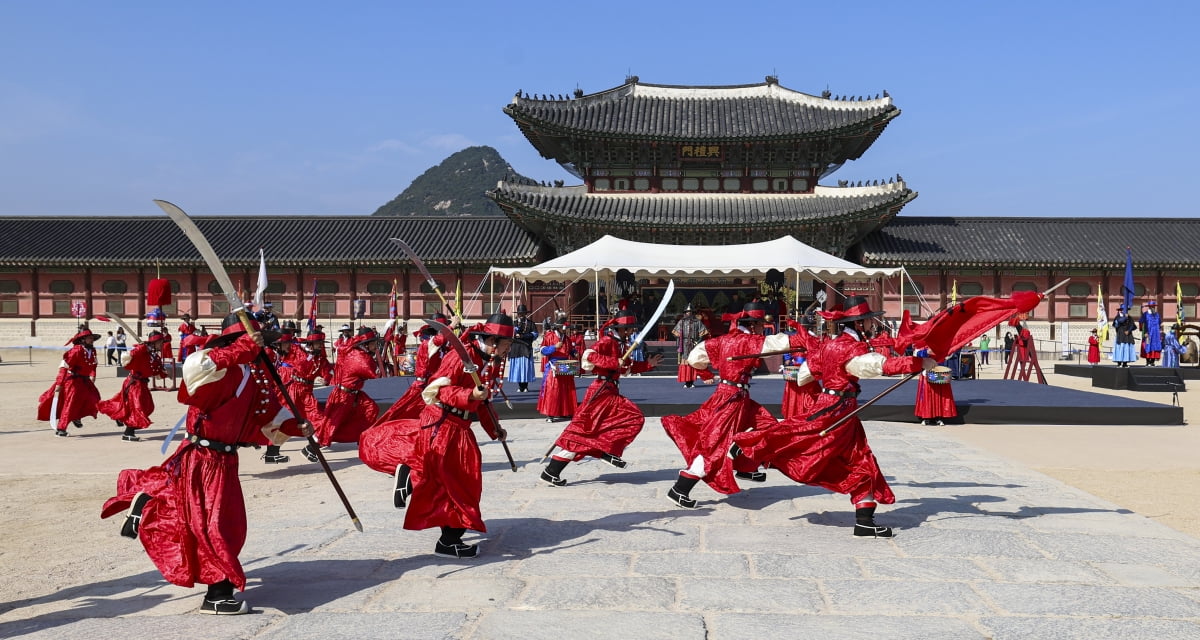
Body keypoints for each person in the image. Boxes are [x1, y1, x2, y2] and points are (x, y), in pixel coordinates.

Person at [100, 314, 313, 615]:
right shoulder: (215, 366)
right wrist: (241, 349)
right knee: (215, 527)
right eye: (259, 341)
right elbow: (193, 371)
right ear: (235, 341)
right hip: (203, 458)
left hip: (225, 460)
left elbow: (264, 419)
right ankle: (217, 594)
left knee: (222, 524)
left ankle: (151, 501)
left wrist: (295, 427)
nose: (264, 348)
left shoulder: (252, 376)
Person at [732, 296, 935, 537]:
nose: (871, 324)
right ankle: (751, 446)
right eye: (868, 321)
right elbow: (879, 366)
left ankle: (864, 520)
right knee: (805, 443)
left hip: (837, 406)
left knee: (859, 458)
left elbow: (804, 374)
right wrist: (919, 362)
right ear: (859, 324)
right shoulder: (851, 348)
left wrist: (820, 393)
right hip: (837, 408)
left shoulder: (830, 344)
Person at [380, 313, 513, 559]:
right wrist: (470, 394)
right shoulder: (458, 357)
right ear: (493, 341)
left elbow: (482, 400)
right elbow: (439, 390)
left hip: (459, 426)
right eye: (506, 344)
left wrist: (494, 428)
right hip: (442, 424)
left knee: (457, 483)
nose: (508, 349)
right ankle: (448, 538)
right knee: (459, 484)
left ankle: (416, 482)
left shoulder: (483, 361)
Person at [660, 301, 807, 508]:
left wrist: (706, 372)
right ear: (753, 324)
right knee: (715, 446)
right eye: (759, 325)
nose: (761, 329)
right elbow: (777, 344)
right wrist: (806, 339)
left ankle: (747, 467)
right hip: (732, 399)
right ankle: (680, 489)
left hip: (734, 395)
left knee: (767, 427)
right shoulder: (748, 342)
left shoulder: (721, 341)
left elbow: (694, 357)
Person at [540, 310, 664, 486]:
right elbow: (589, 356)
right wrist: (613, 362)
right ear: (620, 329)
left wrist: (647, 365)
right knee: (586, 431)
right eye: (627, 329)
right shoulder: (607, 341)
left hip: (610, 391)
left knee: (625, 421)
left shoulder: (622, 344)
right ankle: (555, 469)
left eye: (630, 329)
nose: (630, 332)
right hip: (600, 391)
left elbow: (626, 367)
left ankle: (602, 452)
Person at [303, 326, 381, 461]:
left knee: (370, 409)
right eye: (373, 343)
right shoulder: (359, 357)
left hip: (354, 393)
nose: (375, 346)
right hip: (343, 395)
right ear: (366, 345)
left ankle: (362, 437)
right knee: (332, 423)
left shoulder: (359, 354)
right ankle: (311, 447)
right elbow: (375, 374)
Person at [98, 331, 166, 441]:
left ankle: (121, 418)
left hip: (142, 384)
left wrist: (163, 372)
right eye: (160, 342)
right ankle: (128, 433)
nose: (161, 345)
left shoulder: (153, 355)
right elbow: (127, 358)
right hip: (135, 384)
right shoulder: (141, 350)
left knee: (148, 406)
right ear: (154, 343)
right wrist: (142, 348)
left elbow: (157, 371)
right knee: (138, 408)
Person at [37, 327, 103, 436]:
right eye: (89, 338)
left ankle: (76, 416)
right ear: (83, 339)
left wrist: (93, 375)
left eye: (92, 338)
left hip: (85, 380)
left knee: (94, 398)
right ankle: (61, 428)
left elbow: (93, 365)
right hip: (72, 381)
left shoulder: (93, 350)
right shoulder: (76, 351)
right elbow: (64, 367)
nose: (91, 340)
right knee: (70, 403)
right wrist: (59, 383)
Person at [537, 319, 580, 422]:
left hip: (565, 364)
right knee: (553, 389)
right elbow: (542, 350)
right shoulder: (549, 336)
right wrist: (554, 347)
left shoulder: (567, 339)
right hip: (553, 365)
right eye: (563, 328)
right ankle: (550, 414)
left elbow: (570, 350)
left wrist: (574, 353)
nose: (565, 330)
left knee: (566, 389)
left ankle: (564, 412)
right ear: (558, 327)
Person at [671, 304, 709, 388]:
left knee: (692, 362)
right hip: (684, 344)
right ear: (685, 313)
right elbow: (675, 332)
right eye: (687, 312)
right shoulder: (681, 322)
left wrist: (697, 341)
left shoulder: (697, 322)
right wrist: (680, 338)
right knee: (685, 363)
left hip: (693, 344)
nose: (688, 313)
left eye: (690, 312)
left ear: (692, 313)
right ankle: (686, 382)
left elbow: (703, 333)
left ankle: (691, 382)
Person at [915, 359, 957, 426]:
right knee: (927, 396)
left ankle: (938, 417)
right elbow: (918, 353)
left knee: (939, 395)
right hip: (927, 370)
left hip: (941, 371)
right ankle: (926, 417)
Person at [507, 304, 538, 392]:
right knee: (518, 368)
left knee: (526, 368)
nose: (521, 315)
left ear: (525, 314)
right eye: (519, 313)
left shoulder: (531, 323)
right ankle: (520, 386)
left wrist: (523, 336)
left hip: (526, 347)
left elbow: (535, 335)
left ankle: (525, 386)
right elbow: (509, 334)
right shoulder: (513, 323)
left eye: (523, 313)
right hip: (516, 348)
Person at [1140, 301, 1163, 366]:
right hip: (1148, 333)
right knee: (1147, 346)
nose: (1152, 307)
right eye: (1151, 306)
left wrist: (1160, 332)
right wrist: (1145, 332)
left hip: (1156, 334)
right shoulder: (1145, 314)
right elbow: (1142, 324)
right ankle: (1147, 362)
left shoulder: (1157, 314)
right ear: (1149, 307)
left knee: (1154, 347)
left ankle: (1152, 361)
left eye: (1153, 306)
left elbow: (1160, 324)